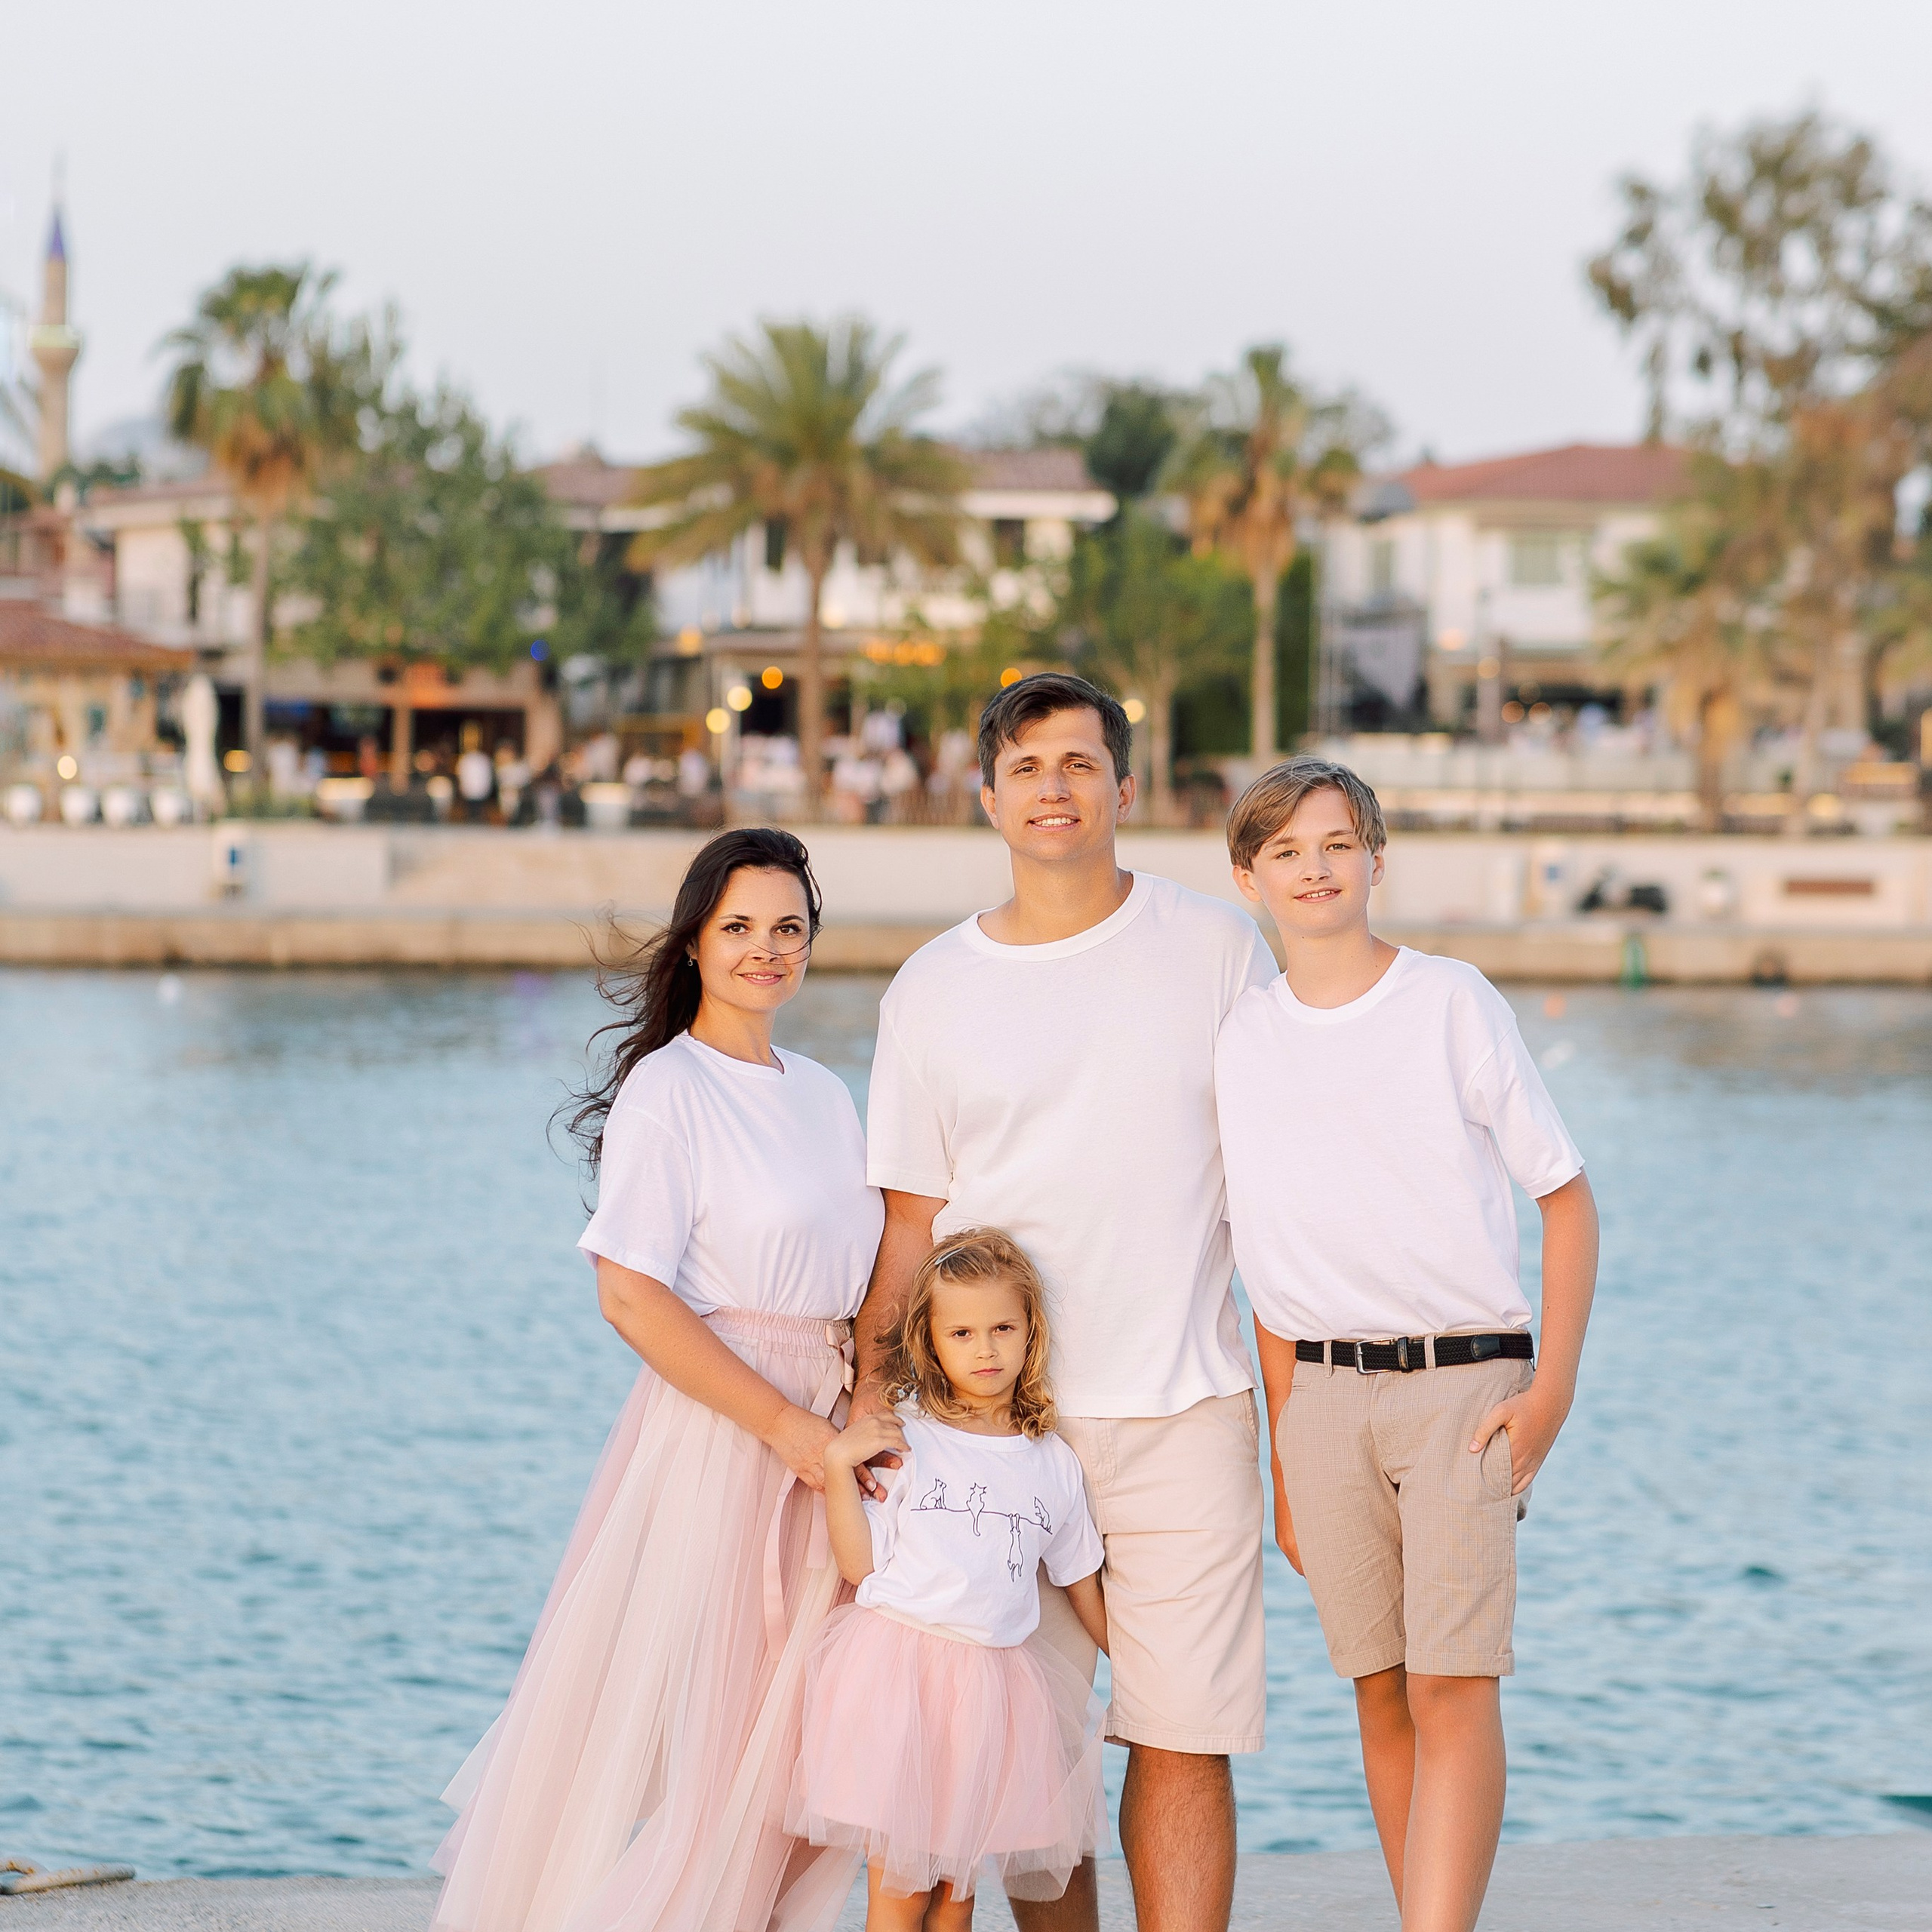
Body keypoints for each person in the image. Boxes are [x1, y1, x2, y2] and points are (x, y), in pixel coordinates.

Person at [854, 671, 1275, 1932]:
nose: (1055, 786)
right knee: (1027, 1762)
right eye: (1029, 766)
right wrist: (874, 1404)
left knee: (1182, 1736)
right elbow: (907, 1229)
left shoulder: (1213, 947)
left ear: (1126, 789)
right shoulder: (930, 987)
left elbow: (1275, 1187)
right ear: (988, 797)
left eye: (1080, 763)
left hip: (1183, 1406)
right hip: (991, 1430)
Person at [429, 828, 885, 1932]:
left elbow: (868, 1271)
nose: (766, 951)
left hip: (838, 1434)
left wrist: (859, 1413)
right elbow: (630, 1296)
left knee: (807, 1755)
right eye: (739, 929)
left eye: (789, 929)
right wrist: (787, 1430)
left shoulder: (823, 1091)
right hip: (730, 1432)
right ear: (693, 944)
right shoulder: (669, 1092)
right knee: (726, 1750)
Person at [1214, 758, 1599, 1932]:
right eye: (1287, 851)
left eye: (1337, 843)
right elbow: (1266, 1274)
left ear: (1376, 858)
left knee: (1450, 1682)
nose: (1316, 868)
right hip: (1322, 1397)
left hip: (1465, 1385)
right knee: (1378, 1688)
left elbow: (1568, 1199)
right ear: (1250, 880)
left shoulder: (1449, 999)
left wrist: (1551, 1394)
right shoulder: (1243, 1040)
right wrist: (1283, 1456)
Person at [792, 1229, 1109, 1932]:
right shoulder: (908, 1436)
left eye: (1003, 1328)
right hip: (900, 1676)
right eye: (962, 1332)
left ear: (1032, 1331)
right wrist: (842, 1467)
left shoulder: (1051, 1460)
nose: (986, 1349)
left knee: (956, 1893)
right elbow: (860, 1565)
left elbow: (1080, 1577)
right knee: (902, 1887)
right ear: (932, 1343)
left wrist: (1136, 1662)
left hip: (992, 1693)